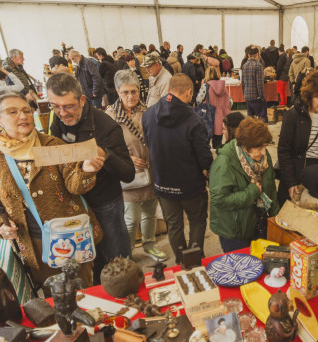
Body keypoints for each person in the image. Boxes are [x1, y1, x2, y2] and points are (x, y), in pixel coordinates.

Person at [0, 91, 103, 288]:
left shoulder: (51, 145)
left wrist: (86, 170)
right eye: (13, 112)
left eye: (27, 110)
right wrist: (0, 225)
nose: (23, 116)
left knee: (83, 289)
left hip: (70, 235)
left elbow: (75, 186)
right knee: (54, 296)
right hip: (33, 242)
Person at [47, 73, 134, 274]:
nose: (63, 113)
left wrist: (105, 155)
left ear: (83, 99)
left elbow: (128, 173)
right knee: (89, 262)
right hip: (75, 203)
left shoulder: (107, 127)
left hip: (105, 204)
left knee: (117, 263)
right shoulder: (57, 120)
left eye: (69, 106)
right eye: (55, 106)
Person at [143, 74, 213, 264]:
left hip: (163, 184)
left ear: (168, 89)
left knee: (174, 225)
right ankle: (195, 260)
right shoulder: (194, 119)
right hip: (191, 185)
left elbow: (149, 144)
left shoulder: (148, 115)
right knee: (197, 221)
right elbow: (205, 157)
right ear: (189, 92)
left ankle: (182, 261)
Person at [105, 70, 166, 262]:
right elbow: (104, 147)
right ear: (117, 91)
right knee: (131, 219)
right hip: (127, 173)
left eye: (134, 91)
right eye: (125, 92)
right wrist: (128, 158)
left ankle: (149, 245)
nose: (130, 96)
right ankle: (128, 254)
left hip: (150, 171)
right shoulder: (110, 115)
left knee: (149, 213)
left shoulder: (146, 110)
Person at [209, 117, 279, 252]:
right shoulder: (224, 162)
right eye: (259, 147)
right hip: (234, 231)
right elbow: (219, 200)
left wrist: (275, 217)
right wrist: (251, 192)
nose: (264, 152)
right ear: (245, 146)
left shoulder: (264, 157)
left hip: (258, 224)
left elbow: (270, 188)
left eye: (265, 146)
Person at [277, 71, 318, 204]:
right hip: (295, 175)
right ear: (309, 95)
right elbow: (284, 150)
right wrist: (290, 182)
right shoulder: (293, 116)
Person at [197, 66, 231, 149]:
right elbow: (230, 102)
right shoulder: (223, 86)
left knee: (206, 143)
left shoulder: (206, 86)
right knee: (218, 143)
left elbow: (198, 100)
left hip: (208, 118)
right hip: (221, 119)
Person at [242, 46, 266, 121]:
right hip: (256, 97)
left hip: (248, 96)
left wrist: (244, 94)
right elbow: (260, 84)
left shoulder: (244, 66)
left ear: (249, 55)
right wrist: (262, 97)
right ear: (257, 54)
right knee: (262, 118)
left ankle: (251, 132)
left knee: (250, 119)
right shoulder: (258, 66)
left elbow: (242, 83)